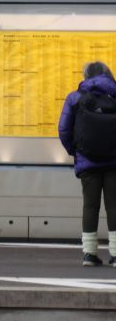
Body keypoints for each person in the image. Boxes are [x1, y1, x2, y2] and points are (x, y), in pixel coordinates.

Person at [58, 61, 116, 266]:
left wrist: (76, 151)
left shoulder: (75, 97)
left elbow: (63, 130)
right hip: (113, 162)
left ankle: (89, 254)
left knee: (90, 206)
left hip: (87, 161)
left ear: (86, 75)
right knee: (113, 206)